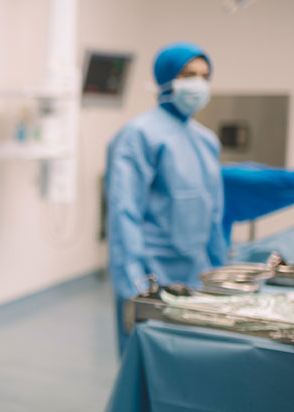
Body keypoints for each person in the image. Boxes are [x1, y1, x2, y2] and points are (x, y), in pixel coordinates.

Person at [105, 41, 226, 355]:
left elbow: (213, 213)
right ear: (166, 78)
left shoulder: (206, 140)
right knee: (146, 369)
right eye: (189, 74)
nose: (198, 83)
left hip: (197, 275)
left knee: (191, 365)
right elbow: (124, 212)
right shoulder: (139, 134)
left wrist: (218, 271)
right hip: (151, 278)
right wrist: (135, 284)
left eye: (204, 75)